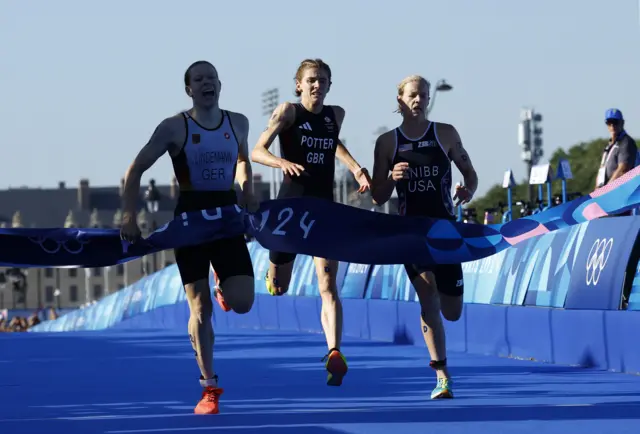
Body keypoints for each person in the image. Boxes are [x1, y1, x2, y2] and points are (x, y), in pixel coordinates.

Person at [120, 60, 256, 415]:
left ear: (220, 85)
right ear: (189, 90)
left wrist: (247, 188)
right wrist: (129, 215)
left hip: (227, 219)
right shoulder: (174, 127)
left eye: (212, 77)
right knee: (200, 308)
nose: (207, 83)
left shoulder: (237, 122)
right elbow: (135, 169)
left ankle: (223, 284)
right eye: (199, 79)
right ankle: (209, 386)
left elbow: (243, 160)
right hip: (191, 222)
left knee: (243, 302)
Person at [249, 58, 371, 386]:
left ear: (330, 85)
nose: (317, 85)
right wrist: (281, 162)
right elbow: (257, 150)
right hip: (290, 210)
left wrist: (356, 167)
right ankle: (271, 275)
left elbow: (332, 145)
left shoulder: (336, 116)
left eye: (323, 81)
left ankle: (335, 352)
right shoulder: (288, 112)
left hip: (322, 210)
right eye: (311, 80)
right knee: (278, 288)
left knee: (328, 285)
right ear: (299, 84)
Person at [370, 75, 478, 399]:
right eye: (413, 95)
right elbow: (377, 195)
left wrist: (467, 189)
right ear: (400, 100)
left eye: (424, 95)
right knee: (427, 296)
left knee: (452, 311)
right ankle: (441, 373)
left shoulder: (445, 134)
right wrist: (391, 177)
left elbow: (469, 173)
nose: (419, 100)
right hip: (412, 234)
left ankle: (441, 363)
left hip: (445, 231)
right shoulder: (387, 143)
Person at [596, 108, 638, 189]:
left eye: (615, 122)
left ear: (622, 123)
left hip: (621, 190)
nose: (612, 126)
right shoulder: (609, 145)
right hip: (608, 190)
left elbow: (623, 169)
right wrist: (596, 190)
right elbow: (601, 169)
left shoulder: (626, 142)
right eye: (609, 122)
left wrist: (606, 190)